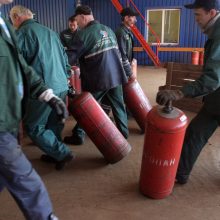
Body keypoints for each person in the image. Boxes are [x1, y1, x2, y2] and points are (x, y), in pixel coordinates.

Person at [0, 0, 68, 218]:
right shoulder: (47, 30)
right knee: (24, 177)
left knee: (35, 127)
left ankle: (58, 153)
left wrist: (45, 93)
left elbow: (21, 63)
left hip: (18, 110)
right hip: (3, 124)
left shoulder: (8, 27)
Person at [156, 0, 220, 184]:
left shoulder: (219, 35)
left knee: (196, 132)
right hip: (216, 99)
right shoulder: (215, 31)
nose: (196, 19)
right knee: (195, 133)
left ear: (212, 12)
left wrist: (180, 92)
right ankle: (180, 173)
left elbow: (212, 79)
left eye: (198, 14)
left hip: (217, 92)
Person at [9, 5, 74, 170]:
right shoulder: (51, 32)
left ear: (16, 17)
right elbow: (65, 60)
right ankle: (56, 156)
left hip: (43, 89)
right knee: (54, 123)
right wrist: (64, 77)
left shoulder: (21, 34)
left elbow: (16, 65)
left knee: (33, 126)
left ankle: (61, 152)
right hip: (61, 84)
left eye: (12, 20)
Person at [63, 5, 129, 145]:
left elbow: (69, 58)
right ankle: (124, 134)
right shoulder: (108, 29)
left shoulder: (83, 34)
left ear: (83, 17)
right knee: (118, 106)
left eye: (78, 21)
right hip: (116, 75)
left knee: (87, 108)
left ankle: (78, 135)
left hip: (98, 79)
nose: (78, 25)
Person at [115, 7, 138, 78]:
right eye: (133, 17)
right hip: (122, 70)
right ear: (126, 18)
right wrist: (130, 73)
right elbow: (122, 55)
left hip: (125, 68)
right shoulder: (121, 33)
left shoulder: (127, 32)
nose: (135, 20)